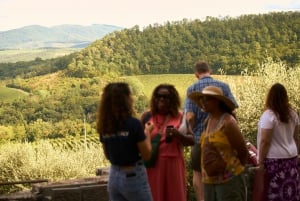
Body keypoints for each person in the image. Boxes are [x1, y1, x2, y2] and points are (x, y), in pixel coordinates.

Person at [184, 60, 238, 201]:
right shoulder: (223, 86)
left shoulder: (192, 89)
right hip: (222, 140)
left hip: (199, 139)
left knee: (198, 173)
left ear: (196, 74)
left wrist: (189, 134)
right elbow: (233, 112)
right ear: (210, 71)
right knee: (223, 171)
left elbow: (190, 117)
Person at [188, 85, 248, 201]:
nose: (203, 102)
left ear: (217, 102)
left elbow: (243, 151)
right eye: (202, 99)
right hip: (209, 180)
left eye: (207, 99)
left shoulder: (228, 123)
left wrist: (232, 171)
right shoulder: (208, 121)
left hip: (229, 181)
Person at [96, 82, 153, 201]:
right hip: (133, 175)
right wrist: (147, 132)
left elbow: (107, 155)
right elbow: (147, 155)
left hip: (114, 177)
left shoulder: (104, 126)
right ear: (126, 100)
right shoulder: (134, 124)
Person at [141, 83, 195, 201]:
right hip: (152, 166)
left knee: (174, 196)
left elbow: (192, 140)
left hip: (173, 166)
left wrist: (178, 134)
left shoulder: (180, 117)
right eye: (158, 96)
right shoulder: (147, 116)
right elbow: (138, 141)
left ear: (172, 100)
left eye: (166, 97)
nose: (161, 99)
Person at [257, 83, 300, 201]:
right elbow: (296, 138)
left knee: (275, 192)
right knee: (290, 192)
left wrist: (260, 162)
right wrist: (297, 156)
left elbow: (265, 141)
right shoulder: (293, 114)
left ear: (270, 97)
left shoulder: (269, 115)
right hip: (292, 158)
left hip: (274, 161)